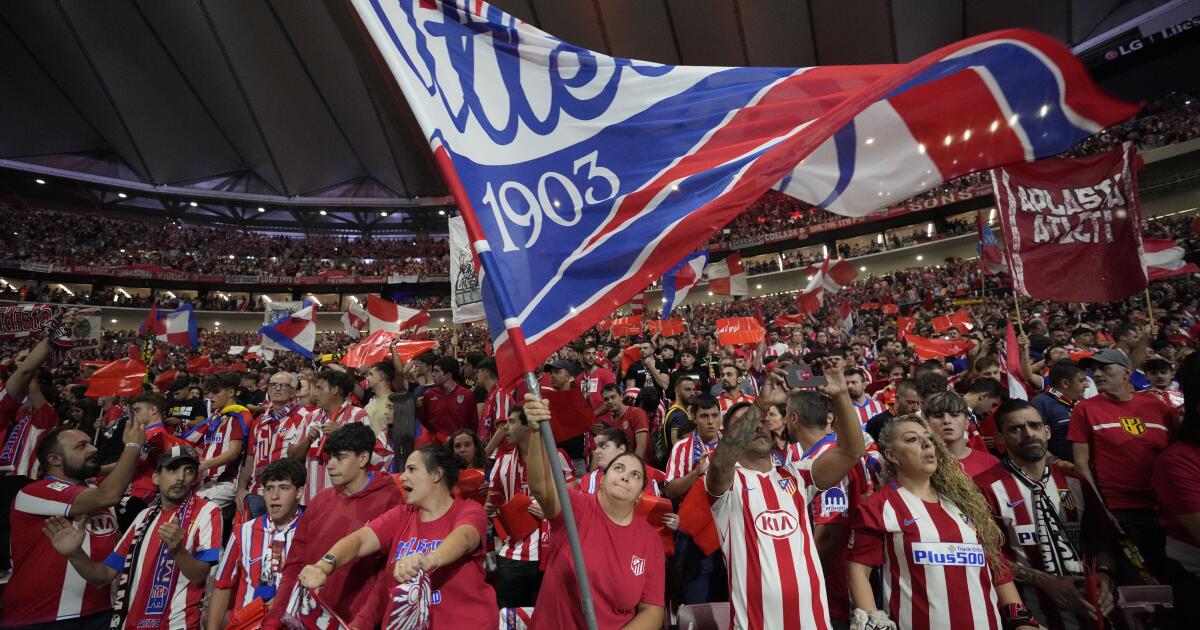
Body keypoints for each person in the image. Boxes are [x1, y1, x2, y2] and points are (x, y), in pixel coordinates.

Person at [706, 357, 865, 629]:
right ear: (729, 438)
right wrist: (761, 404)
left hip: (813, 622)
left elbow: (851, 451)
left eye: (761, 421)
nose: (758, 424)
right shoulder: (728, 486)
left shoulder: (797, 474)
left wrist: (840, 396)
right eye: (745, 423)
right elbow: (721, 463)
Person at [847, 415, 1039, 630]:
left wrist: (1023, 622)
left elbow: (998, 567)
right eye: (912, 439)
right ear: (891, 455)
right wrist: (873, 623)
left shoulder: (966, 503)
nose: (927, 443)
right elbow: (858, 571)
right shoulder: (879, 506)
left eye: (929, 438)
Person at [296, 445, 498, 629]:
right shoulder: (402, 514)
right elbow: (358, 541)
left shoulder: (468, 510)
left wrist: (426, 560)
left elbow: (464, 539)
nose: (402, 477)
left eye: (412, 469)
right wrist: (323, 566)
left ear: (436, 475)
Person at [519, 394, 666, 629]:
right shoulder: (578, 507)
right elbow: (542, 488)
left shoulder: (650, 541)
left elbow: (652, 611)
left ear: (640, 494)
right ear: (601, 480)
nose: (626, 475)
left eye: (635, 475)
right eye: (619, 468)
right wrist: (536, 433)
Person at [42, 444, 223, 630]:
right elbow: (103, 576)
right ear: (156, 477)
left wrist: (178, 551)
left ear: (195, 479)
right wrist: (74, 554)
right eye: (172, 469)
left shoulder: (208, 511)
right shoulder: (143, 516)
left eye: (189, 471)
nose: (180, 478)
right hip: (131, 624)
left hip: (178, 625)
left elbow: (198, 576)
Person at [975, 400, 1117, 629]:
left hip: (1090, 610)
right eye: (1015, 429)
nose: (1029, 434)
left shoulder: (1076, 482)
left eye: (1035, 425)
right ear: (1000, 439)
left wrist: (1105, 574)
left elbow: (1100, 539)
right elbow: (985, 556)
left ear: (1047, 431)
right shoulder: (984, 488)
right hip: (1029, 614)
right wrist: (1043, 580)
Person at [2, 408, 146, 628]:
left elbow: (113, 552)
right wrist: (133, 446)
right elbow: (107, 495)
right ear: (55, 460)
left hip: (102, 612)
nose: (93, 448)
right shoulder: (36, 491)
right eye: (81, 446)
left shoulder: (94, 493)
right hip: (40, 617)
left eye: (90, 442)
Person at [264, 423, 405, 629]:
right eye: (330, 457)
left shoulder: (391, 501)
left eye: (340, 457)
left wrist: (364, 621)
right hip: (308, 619)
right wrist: (274, 619)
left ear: (363, 458)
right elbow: (295, 564)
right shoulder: (320, 500)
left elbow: (386, 573)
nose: (330, 465)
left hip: (354, 622)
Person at [1070, 348, 1177, 578]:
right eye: (1094, 369)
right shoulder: (1085, 409)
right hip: (1119, 510)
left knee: (1172, 576)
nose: (1097, 374)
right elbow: (1081, 464)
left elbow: (1174, 454)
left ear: (1127, 372)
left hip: (1164, 508)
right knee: (1138, 582)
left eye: (1105, 368)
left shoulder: (1158, 407)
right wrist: (1101, 509)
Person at [782, 388, 875, 627]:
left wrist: (808, 582)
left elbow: (829, 532)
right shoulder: (840, 451)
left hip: (832, 591)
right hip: (849, 577)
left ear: (793, 418)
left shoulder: (825, 459)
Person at [485, 407, 576, 609]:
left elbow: (574, 500)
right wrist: (492, 509)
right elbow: (491, 505)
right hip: (513, 555)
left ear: (528, 426)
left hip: (553, 553)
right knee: (510, 619)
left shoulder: (557, 457)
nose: (505, 427)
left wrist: (552, 509)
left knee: (548, 618)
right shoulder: (502, 462)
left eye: (511, 422)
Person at [209, 458, 307, 630]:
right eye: (269, 488)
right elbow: (222, 585)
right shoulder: (243, 532)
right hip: (247, 625)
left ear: (299, 492)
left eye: (283, 488)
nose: (274, 496)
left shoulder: (312, 532)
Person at [288, 369, 375, 502]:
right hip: (309, 499)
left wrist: (339, 434)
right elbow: (292, 456)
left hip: (344, 499)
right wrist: (308, 440)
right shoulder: (310, 417)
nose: (314, 393)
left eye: (319, 388)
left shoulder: (358, 415)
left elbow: (364, 456)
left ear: (334, 390)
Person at [237, 370, 304, 518]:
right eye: (273, 385)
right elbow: (250, 457)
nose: (277, 388)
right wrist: (241, 489)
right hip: (256, 493)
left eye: (283, 385)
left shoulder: (303, 417)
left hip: (285, 493)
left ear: (293, 392)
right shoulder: (260, 420)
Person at [182, 371, 250, 509]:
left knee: (194, 509)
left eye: (215, 391)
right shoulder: (216, 418)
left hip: (226, 482)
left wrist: (204, 465)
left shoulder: (239, 417)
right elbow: (201, 447)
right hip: (205, 481)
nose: (210, 396)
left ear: (230, 392)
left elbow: (233, 452)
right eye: (209, 392)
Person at [925, 391, 1000, 477]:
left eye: (954, 415)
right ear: (927, 423)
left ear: (966, 423)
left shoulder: (990, 463)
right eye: (938, 416)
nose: (947, 421)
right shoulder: (916, 463)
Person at [1029, 362, 1088, 461]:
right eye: (1082, 381)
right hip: (1061, 471)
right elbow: (1032, 441)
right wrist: (1056, 462)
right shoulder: (1038, 405)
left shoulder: (1083, 402)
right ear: (1065, 383)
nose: (1086, 386)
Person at [419, 356, 478, 444]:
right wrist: (440, 437)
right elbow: (424, 423)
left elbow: (473, 424)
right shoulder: (429, 394)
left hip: (459, 447)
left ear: (448, 375)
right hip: (435, 447)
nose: (433, 374)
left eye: (437, 371)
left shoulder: (467, 395)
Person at [653, 377, 696, 467]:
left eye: (693, 389)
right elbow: (677, 446)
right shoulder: (680, 415)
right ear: (678, 391)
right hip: (674, 467)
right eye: (688, 389)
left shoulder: (673, 411)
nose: (692, 393)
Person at [601, 383, 649, 460]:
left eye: (613, 397)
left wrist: (634, 467)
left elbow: (641, 446)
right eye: (606, 399)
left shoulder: (636, 413)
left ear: (621, 397)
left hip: (640, 467)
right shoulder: (611, 423)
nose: (610, 401)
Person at [579, 343, 617, 420]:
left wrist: (592, 415)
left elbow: (613, 398)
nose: (591, 356)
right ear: (581, 356)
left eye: (593, 353)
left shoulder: (605, 373)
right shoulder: (578, 379)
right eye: (587, 353)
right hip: (586, 421)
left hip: (604, 421)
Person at [363, 361, 396, 435]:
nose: (367, 378)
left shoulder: (397, 401)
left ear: (381, 377)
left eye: (371, 374)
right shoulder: (368, 405)